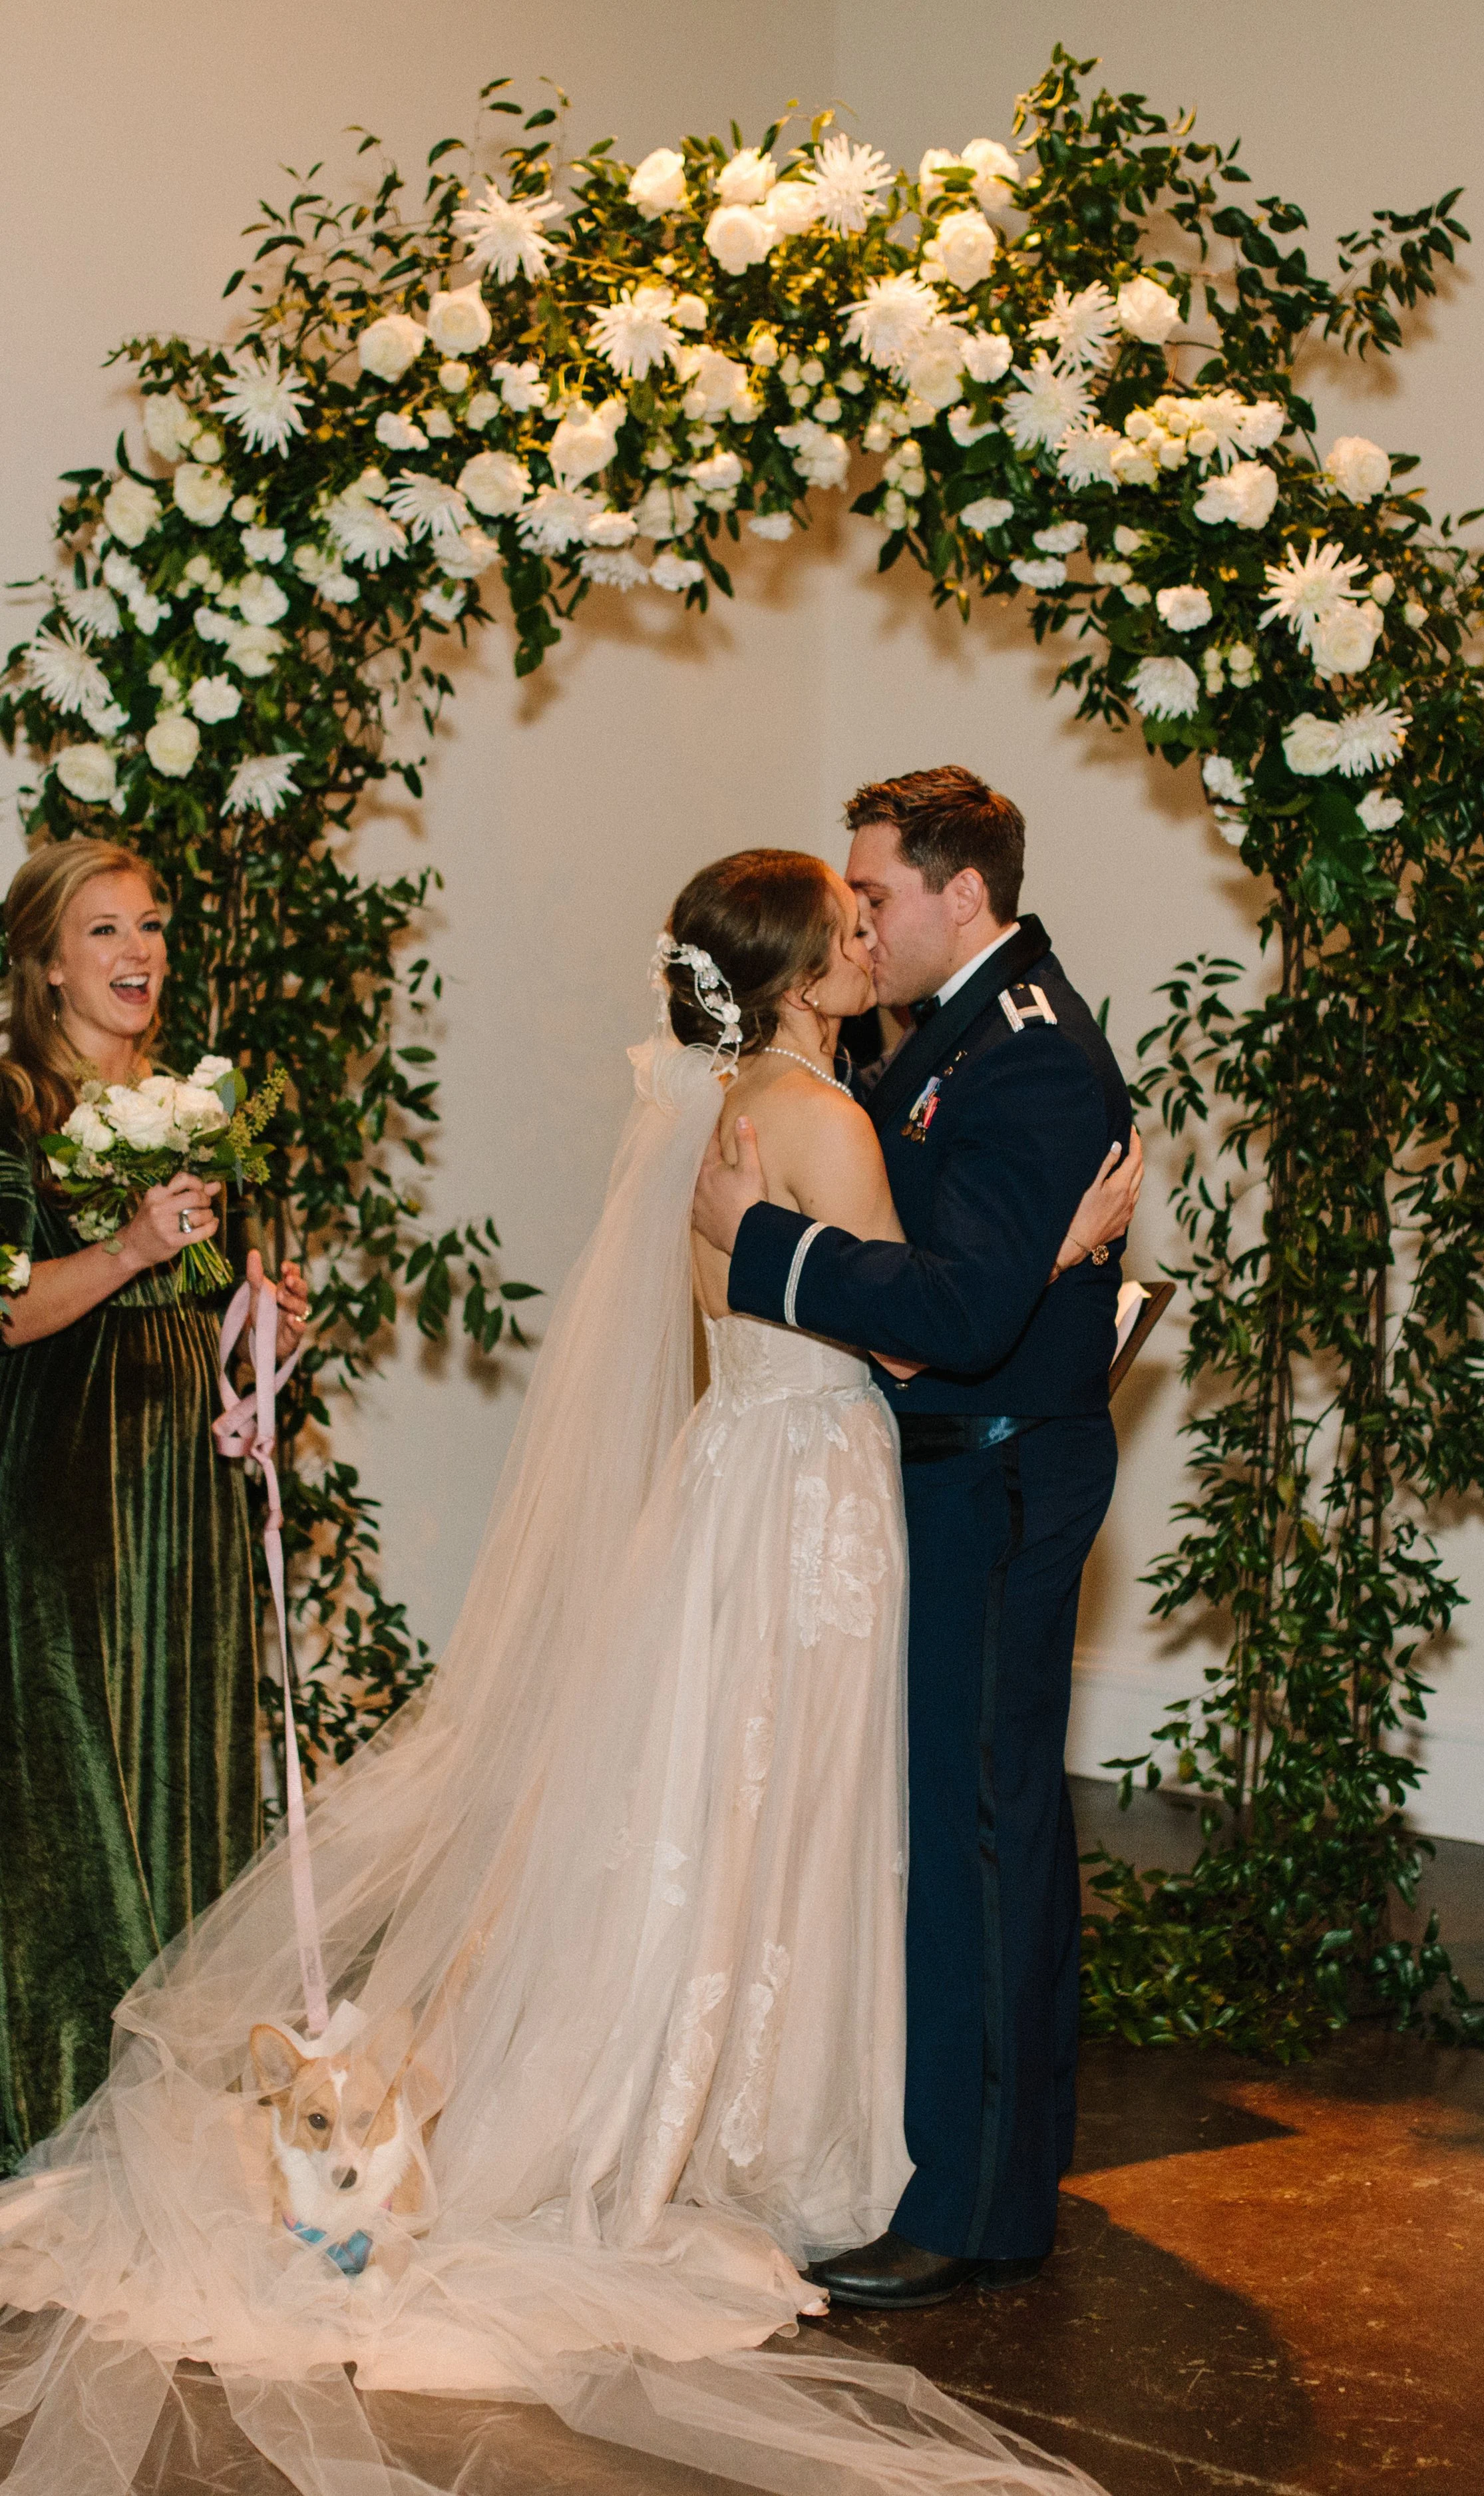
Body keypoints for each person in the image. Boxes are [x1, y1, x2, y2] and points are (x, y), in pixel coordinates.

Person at [0, 845, 1133, 2496]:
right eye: (852, 922)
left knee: (710, 1804)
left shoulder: (716, 1107)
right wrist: (1061, 1253)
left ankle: (655, 2095)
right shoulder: (811, 1121)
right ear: (815, 964)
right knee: (801, 1808)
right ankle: (761, 2121)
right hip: (815, 1491)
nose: (871, 938)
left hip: (730, 1474)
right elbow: (913, 1336)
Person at [695, 766, 1134, 2310]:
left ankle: (981, 2209)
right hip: (936, 1469)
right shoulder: (934, 1037)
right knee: (943, 1828)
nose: (858, 923)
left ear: (964, 892)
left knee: (985, 1832)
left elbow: (955, 1310)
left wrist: (765, 1249)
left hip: (997, 1472)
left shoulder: (1029, 1059)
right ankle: (942, 2152)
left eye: (874, 892)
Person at [0, 837, 308, 2171]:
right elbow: (11, 1308)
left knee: (179, 1762)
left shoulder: (197, 1107)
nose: (137, 954)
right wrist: (126, 1249)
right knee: (74, 1790)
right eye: (104, 930)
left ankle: (179, 2104)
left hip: (184, 1494)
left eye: (152, 927)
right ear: (46, 962)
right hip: (62, 1490)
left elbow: (218, 1289)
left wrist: (265, 1327)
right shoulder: (12, 1106)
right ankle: (71, 2110)